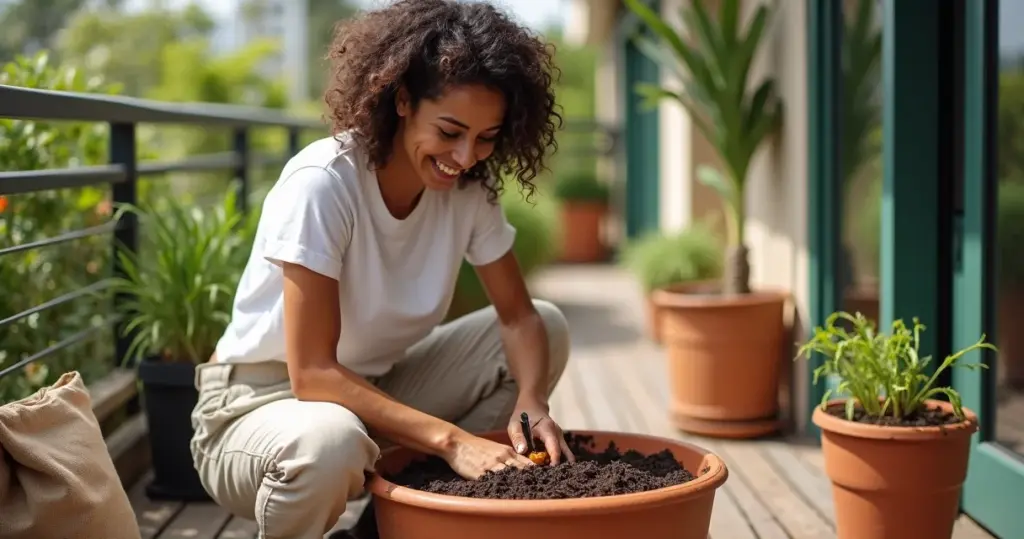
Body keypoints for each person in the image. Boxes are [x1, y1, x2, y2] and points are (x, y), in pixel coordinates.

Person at [188, 1, 572, 538]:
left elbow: (519, 319)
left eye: (486, 138)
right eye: (450, 131)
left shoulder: (468, 194)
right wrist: (452, 441)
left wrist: (533, 403)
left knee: (549, 327)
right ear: (402, 100)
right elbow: (313, 373)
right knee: (330, 443)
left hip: (371, 391)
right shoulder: (325, 183)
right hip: (255, 407)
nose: (465, 157)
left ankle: (382, 532)